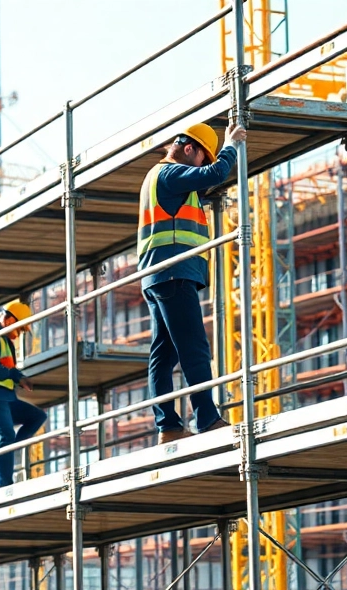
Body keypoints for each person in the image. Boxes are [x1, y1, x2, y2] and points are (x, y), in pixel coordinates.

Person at [138, 121, 247, 443]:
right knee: (194, 348)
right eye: (203, 157)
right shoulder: (170, 174)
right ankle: (207, 418)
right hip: (174, 273)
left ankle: (168, 426)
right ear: (190, 149)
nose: (204, 163)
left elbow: (203, 181)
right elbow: (213, 175)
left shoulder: (159, 179)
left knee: (165, 353)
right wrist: (230, 145)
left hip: (158, 275)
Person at [0, 300, 48, 490]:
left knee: (36, 417)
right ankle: (3, 484)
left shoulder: (3, 339)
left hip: (4, 396)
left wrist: (21, 377)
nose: (19, 333)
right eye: (19, 329)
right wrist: (16, 376)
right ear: (9, 320)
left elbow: (8, 368)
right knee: (5, 435)